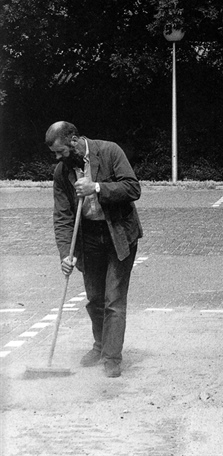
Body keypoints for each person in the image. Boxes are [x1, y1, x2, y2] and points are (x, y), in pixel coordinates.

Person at [45, 121, 143, 378]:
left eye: (60, 151)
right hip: (89, 238)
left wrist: (97, 188)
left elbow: (133, 188)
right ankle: (100, 345)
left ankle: (112, 356)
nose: (57, 158)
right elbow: (62, 217)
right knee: (95, 298)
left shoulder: (109, 152)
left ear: (74, 140)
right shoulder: (62, 172)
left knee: (113, 299)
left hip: (119, 234)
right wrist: (66, 253)